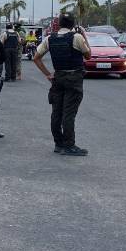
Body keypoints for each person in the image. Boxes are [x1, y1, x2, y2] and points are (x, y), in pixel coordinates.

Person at [33, 12, 91, 156]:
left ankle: (58, 144)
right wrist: (84, 35)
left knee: (56, 112)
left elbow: (36, 58)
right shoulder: (77, 37)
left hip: (58, 77)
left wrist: (48, 74)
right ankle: (69, 145)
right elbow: (88, 55)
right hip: (74, 78)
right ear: (73, 24)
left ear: (59, 24)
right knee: (69, 113)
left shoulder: (49, 38)